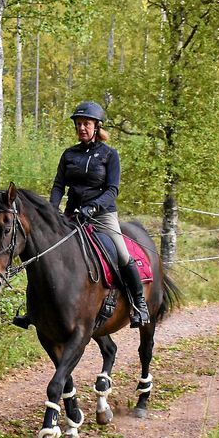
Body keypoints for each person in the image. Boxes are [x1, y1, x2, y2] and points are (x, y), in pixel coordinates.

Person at [48, 101, 150, 328]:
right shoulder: (69, 155)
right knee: (50, 252)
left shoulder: (109, 155)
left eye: (86, 123)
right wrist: (51, 210)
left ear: (97, 126)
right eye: (79, 124)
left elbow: (112, 190)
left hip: (102, 215)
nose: (82, 128)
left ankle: (139, 304)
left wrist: (93, 207)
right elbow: (58, 186)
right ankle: (39, 309)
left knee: (122, 254)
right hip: (72, 215)